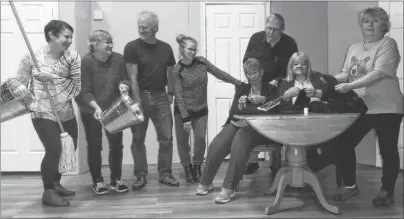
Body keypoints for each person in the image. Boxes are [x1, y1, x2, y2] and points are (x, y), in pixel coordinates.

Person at [332, 7, 403, 207]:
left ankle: (386, 191)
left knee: (387, 150)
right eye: (366, 21)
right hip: (364, 105)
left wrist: (350, 86)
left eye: (374, 21)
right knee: (344, 142)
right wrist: (327, 80)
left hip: (388, 106)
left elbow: (378, 73)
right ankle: (351, 186)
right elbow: (345, 73)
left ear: (384, 25)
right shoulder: (354, 48)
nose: (369, 25)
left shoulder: (388, 44)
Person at [15, 20, 81, 207]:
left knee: (70, 147)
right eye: (65, 36)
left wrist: (52, 78)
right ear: (52, 35)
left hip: (66, 111)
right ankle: (48, 192)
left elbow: (77, 87)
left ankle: (56, 183)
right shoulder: (31, 57)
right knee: (54, 149)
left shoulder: (73, 58)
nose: (69, 40)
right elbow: (19, 84)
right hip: (42, 112)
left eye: (70, 37)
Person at [196, 58, 279, 204]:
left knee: (239, 143)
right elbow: (234, 112)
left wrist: (262, 101)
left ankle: (229, 187)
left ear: (261, 72)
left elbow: (274, 110)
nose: (252, 77)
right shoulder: (243, 89)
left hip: (259, 128)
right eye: (249, 74)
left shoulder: (271, 90)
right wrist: (241, 107)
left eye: (255, 73)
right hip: (238, 123)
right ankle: (206, 182)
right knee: (217, 144)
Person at [172, 34, 243, 183]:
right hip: (183, 112)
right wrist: (184, 117)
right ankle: (187, 167)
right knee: (183, 142)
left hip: (201, 110)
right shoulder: (177, 70)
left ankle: (197, 165)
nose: (193, 52)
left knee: (200, 140)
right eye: (190, 49)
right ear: (182, 49)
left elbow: (219, 73)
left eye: (195, 49)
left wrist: (237, 83)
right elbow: (178, 94)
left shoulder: (202, 63)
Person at [123, 11, 179, 190]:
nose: (141, 29)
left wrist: (171, 93)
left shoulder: (166, 48)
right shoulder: (131, 47)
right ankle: (140, 175)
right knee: (138, 138)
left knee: (167, 138)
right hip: (139, 96)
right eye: (139, 26)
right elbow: (132, 77)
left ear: (155, 28)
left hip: (161, 96)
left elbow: (170, 72)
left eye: (145, 27)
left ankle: (165, 173)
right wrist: (137, 101)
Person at [76, 30, 130, 195]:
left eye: (111, 41)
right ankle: (98, 181)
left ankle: (116, 180)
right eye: (107, 42)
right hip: (91, 109)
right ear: (95, 45)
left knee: (116, 145)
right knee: (95, 145)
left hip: (114, 107)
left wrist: (124, 85)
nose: (111, 45)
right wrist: (96, 107)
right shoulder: (86, 61)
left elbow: (124, 78)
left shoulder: (119, 58)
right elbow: (84, 90)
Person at [244, 13, 298, 175]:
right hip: (257, 85)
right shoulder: (255, 39)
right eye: (269, 28)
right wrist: (254, 79)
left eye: (275, 30)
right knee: (253, 122)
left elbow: (293, 68)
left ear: (282, 29)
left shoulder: (290, 44)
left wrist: (279, 80)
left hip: (278, 88)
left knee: (277, 123)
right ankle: (252, 161)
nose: (271, 33)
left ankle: (276, 163)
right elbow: (246, 62)